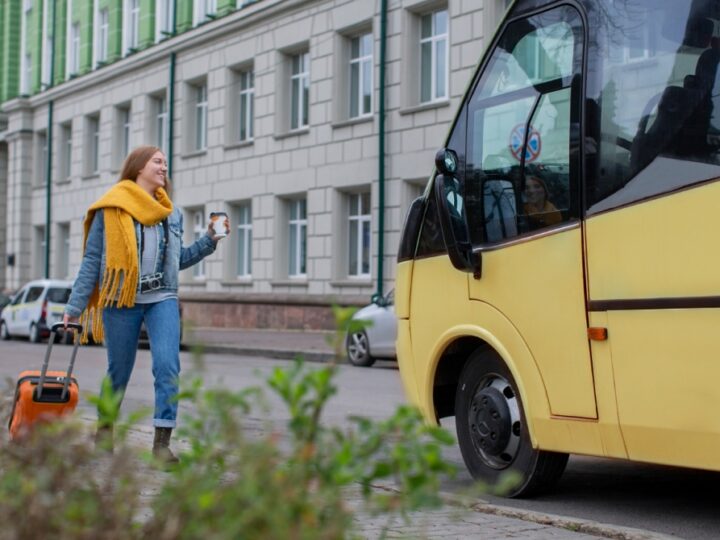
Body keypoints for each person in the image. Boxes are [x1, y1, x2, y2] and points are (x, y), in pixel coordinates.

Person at [63, 145, 228, 462]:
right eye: (157, 162)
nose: (164, 167)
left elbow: (177, 260)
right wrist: (73, 308)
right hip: (121, 299)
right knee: (118, 372)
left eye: (166, 162)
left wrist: (210, 241)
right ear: (139, 167)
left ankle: (162, 444)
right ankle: (104, 432)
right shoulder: (112, 208)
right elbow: (92, 260)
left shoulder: (171, 213)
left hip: (162, 297)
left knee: (168, 367)